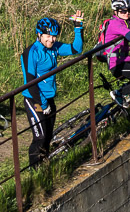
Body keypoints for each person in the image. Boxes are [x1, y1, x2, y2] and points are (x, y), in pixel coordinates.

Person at [21, 12, 84, 167]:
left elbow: (77, 49)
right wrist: (43, 104)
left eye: (54, 36)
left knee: (48, 136)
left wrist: (78, 26)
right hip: (33, 98)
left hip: (49, 98)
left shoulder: (54, 47)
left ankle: (44, 167)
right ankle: (33, 171)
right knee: (40, 136)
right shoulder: (31, 52)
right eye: (48, 36)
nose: (52, 40)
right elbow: (30, 81)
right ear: (39, 35)